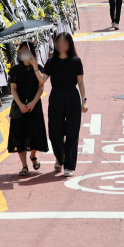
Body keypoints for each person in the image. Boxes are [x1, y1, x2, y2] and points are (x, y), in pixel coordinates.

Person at [35, 33, 87, 177]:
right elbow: (41, 80)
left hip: (72, 97)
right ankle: (61, 158)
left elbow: (81, 82)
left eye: (64, 42)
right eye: (58, 42)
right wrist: (34, 66)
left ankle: (69, 166)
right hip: (56, 97)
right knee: (54, 134)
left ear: (70, 44)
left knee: (72, 133)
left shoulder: (76, 61)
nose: (61, 45)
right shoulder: (51, 62)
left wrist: (84, 100)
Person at [7, 42, 49, 176]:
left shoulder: (38, 67)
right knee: (19, 136)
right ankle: (24, 166)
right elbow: (13, 89)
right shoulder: (15, 70)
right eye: (21, 51)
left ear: (32, 53)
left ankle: (33, 155)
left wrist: (33, 103)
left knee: (34, 135)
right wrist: (20, 104)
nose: (24, 53)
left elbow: (41, 86)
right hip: (19, 107)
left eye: (26, 50)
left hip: (34, 106)